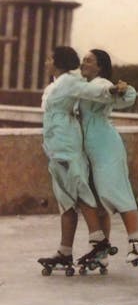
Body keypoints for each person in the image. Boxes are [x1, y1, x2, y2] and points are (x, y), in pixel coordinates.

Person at [36, 46, 112, 275]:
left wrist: (117, 91)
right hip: (55, 146)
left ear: (58, 62)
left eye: (49, 58)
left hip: (67, 145)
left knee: (79, 190)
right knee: (66, 200)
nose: (46, 62)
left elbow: (97, 92)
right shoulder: (55, 84)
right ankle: (64, 251)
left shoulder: (70, 81)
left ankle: (99, 242)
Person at [78, 49, 138, 267]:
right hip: (91, 149)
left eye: (89, 61)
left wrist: (119, 88)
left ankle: (137, 241)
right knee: (100, 200)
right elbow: (119, 99)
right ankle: (101, 253)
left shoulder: (99, 84)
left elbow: (112, 93)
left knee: (114, 191)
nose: (83, 63)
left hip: (106, 147)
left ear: (100, 67)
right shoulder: (85, 86)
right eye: (83, 60)